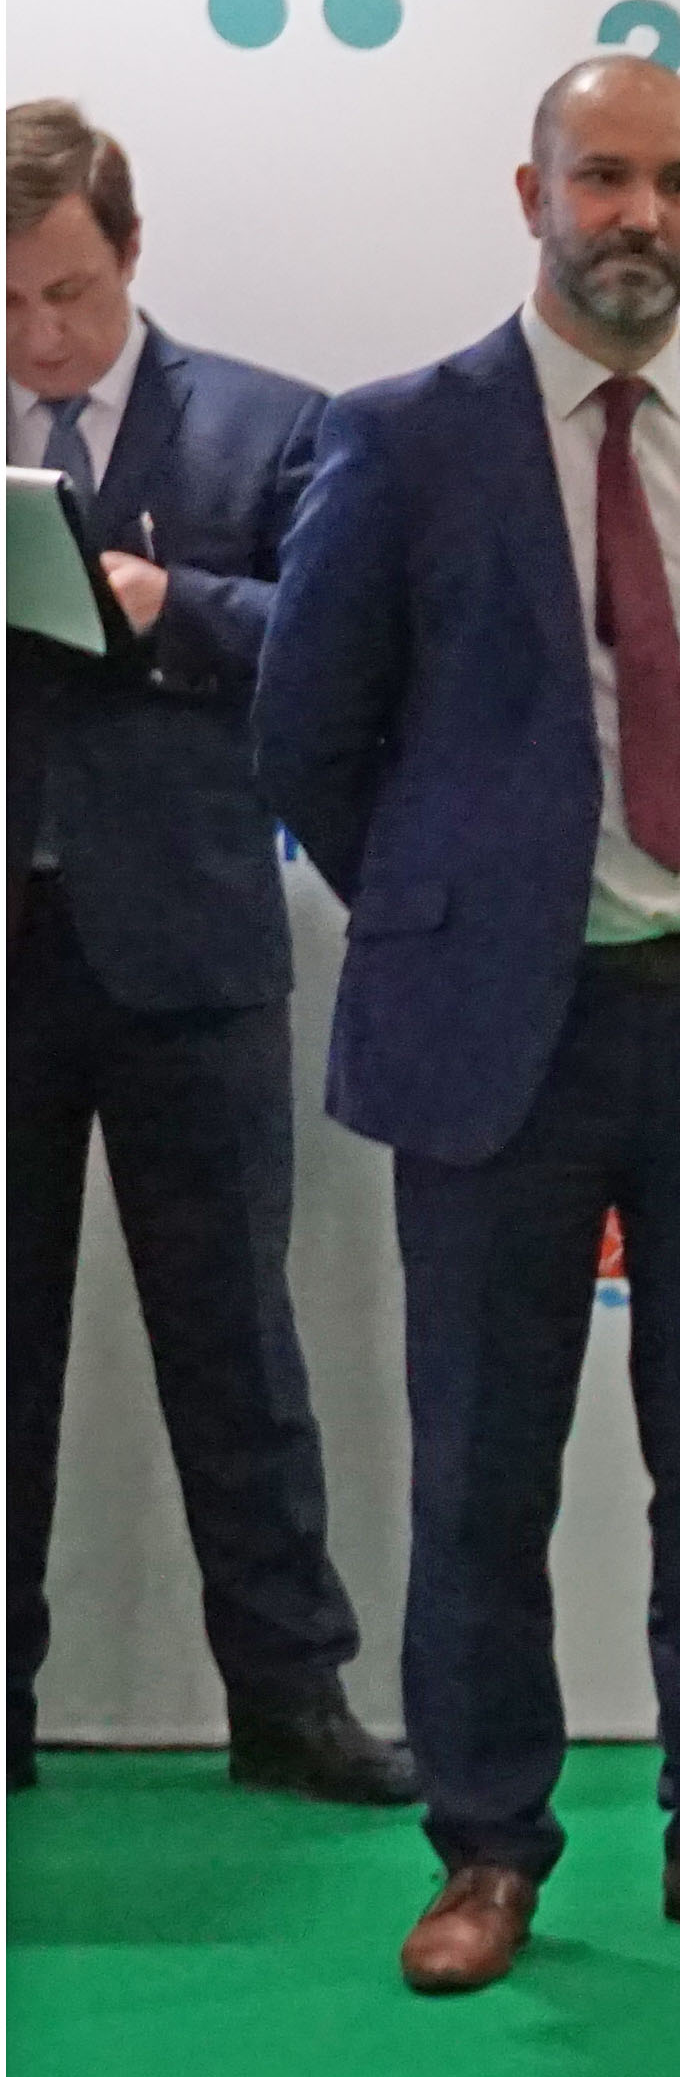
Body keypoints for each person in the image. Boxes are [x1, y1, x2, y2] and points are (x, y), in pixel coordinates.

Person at [257, 52, 680, 1995]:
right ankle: (486, 1847)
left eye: (677, 184)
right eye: (604, 177)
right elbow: (311, 733)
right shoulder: (403, 436)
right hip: (499, 1039)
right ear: (530, 192)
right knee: (483, 1467)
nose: (640, 217)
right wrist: (465, 915)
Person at [7, 100, 398, 1803]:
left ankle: (291, 1698)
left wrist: (182, 611)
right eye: (8, 304)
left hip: (191, 948)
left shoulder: (266, 424)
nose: (41, 337)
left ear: (131, 252)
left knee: (235, 1338)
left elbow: (339, 646)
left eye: (69, 295)